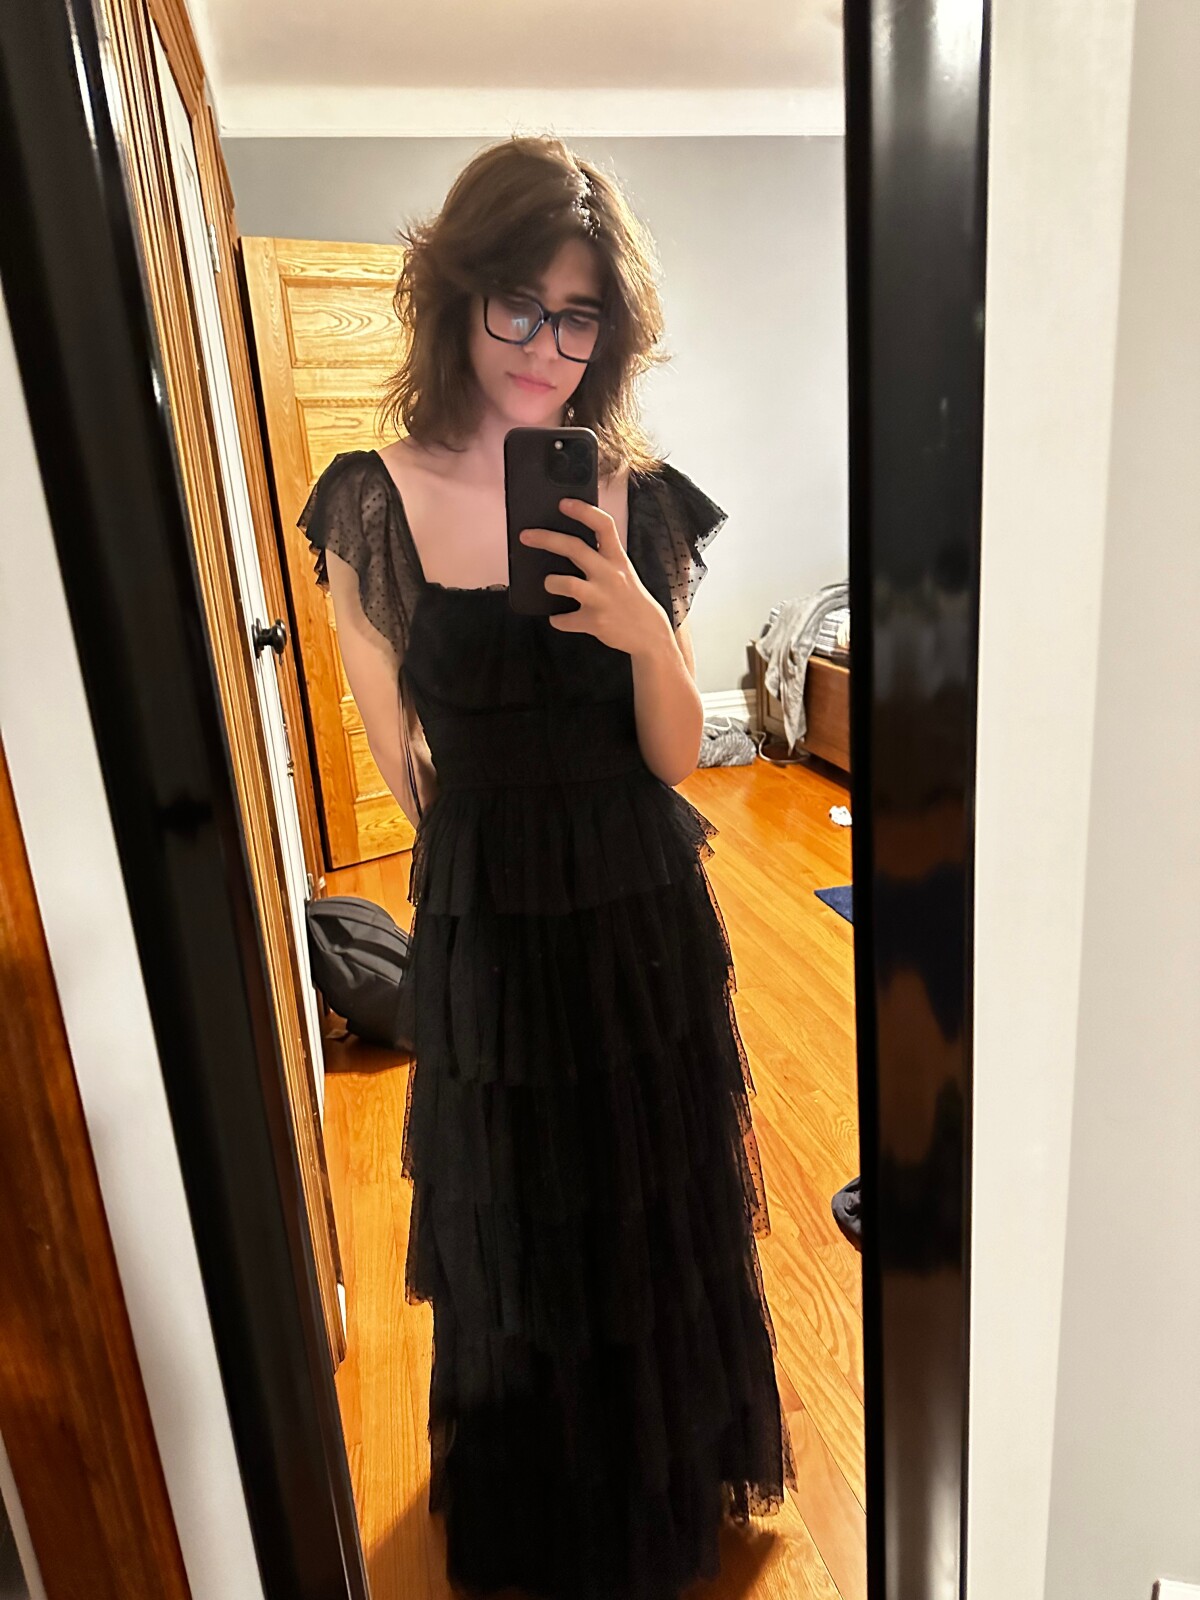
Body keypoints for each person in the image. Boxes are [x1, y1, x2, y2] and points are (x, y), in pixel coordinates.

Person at [298, 134, 797, 1600]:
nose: (544, 347)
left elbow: (677, 757)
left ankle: (656, 1478)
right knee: (514, 1207)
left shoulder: (642, 499)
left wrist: (645, 630)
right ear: (457, 296)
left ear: (611, 333)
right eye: (517, 303)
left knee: (648, 1192)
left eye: (579, 317)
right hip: (487, 912)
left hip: (637, 901)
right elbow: (406, 768)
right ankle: (546, 1499)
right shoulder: (369, 504)